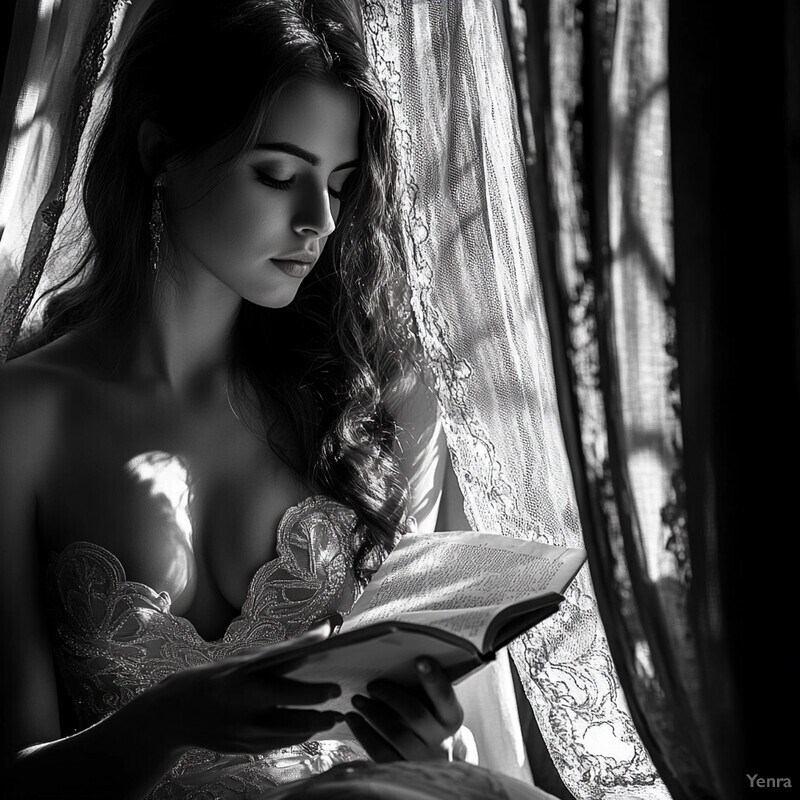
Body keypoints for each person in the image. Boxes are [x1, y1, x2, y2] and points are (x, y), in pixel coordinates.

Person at [0, 1, 560, 798]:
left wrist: (418, 738)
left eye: (338, 183)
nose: (320, 221)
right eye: (277, 175)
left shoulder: (373, 403)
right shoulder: (24, 417)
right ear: (161, 150)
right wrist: (167, 721)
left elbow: (393, 724)